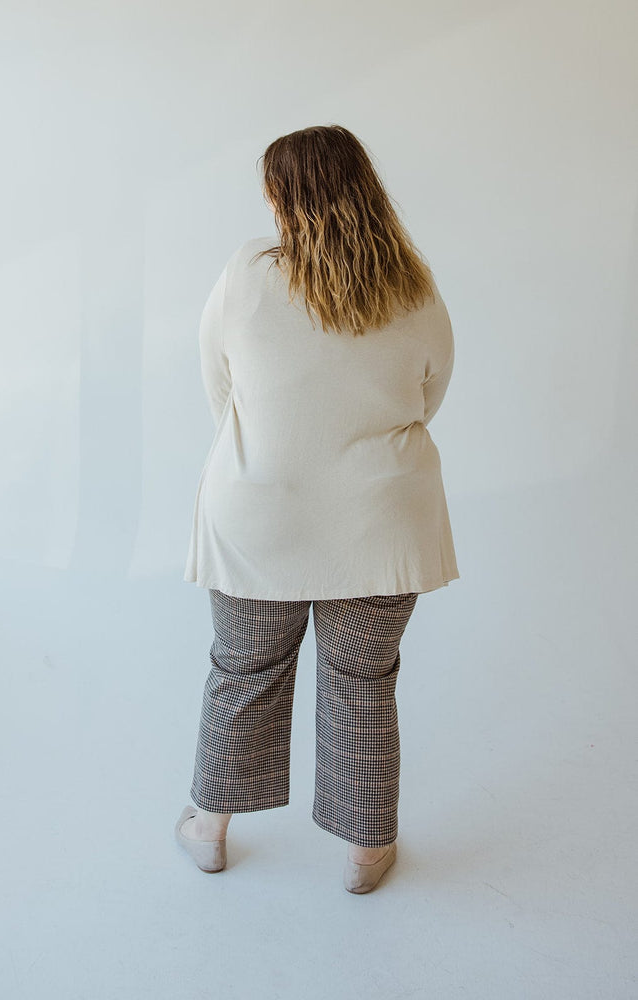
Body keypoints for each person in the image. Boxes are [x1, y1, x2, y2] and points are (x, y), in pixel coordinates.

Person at [174, 124, 460, 893]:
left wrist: (269, 445)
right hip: (382, 523)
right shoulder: (412, 283)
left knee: (242, 671)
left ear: (278, 195)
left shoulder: (246, 272)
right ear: (364, 184)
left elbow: (218, 383)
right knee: (362, 681)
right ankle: (367, 850)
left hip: (258, 517)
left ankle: (207, 829)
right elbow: (427, 394)